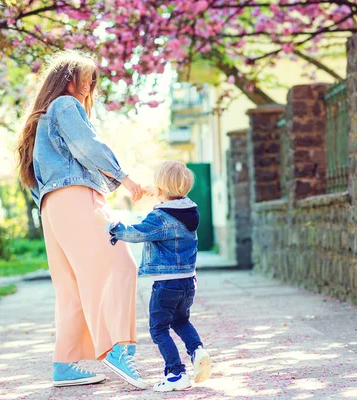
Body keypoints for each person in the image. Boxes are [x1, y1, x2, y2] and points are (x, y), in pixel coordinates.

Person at [15, 51, 148, 389]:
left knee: (71, 288)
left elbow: (34, 177)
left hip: (52, 208)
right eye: (86, 77)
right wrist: (124, 178)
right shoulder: (64, 105)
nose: (91, 84)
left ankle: (65, 364)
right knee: (121, 264)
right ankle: (118, 348)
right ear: (67, 79)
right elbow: (87, 145)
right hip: (75, 198)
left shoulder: (42, 116)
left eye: (93, 79)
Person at [97, 161, 212, 392]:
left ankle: (175, 373)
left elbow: (137, 233)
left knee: (159, 329)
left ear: (161, 191)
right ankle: (197, 351)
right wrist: (157, 189)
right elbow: (171, 195)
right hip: (188, 281)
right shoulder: (190, 210)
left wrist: (113, 227)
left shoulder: (160, 217)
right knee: (181, 320)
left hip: (166, 283)